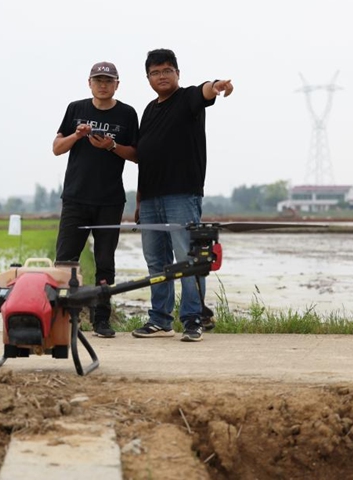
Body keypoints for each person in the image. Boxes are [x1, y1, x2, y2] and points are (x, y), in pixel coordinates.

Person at [131, 48, 233, 342]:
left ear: (177, 73)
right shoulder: (149, 110)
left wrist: (217, 85)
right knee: (156, 261)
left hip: (182, 196)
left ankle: (193, 319)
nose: (161, 76)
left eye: (167, 70)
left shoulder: (187, 98)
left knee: (188, 259)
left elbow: (205, 91)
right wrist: (139, 200)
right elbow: (145, 157)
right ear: (148, 78)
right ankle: (160, 320)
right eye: (155, 72)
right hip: (150, 199)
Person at [52, 61, 139, 338]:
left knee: (105, 262)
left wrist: (111, 145)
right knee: (66, 260)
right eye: (98, 80)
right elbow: (57, 148)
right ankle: (64, 318)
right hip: (75, 198)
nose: (103, 85)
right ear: (89, 83)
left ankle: (101, 319)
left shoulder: (127, 113)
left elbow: (136, 154)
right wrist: (76, 136)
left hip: (110, 200)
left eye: (108, 80)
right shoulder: (75, 109)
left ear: (117, 85)